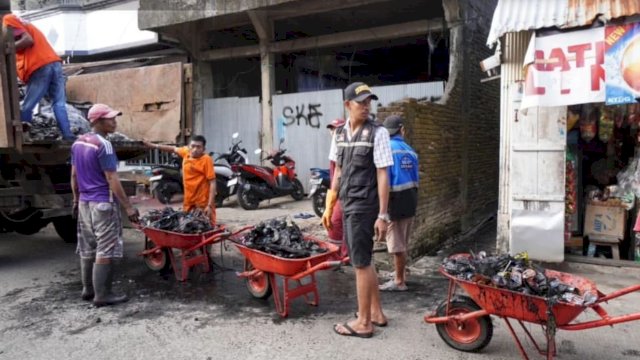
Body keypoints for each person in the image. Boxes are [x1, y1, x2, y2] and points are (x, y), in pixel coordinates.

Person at [323, 82, 393, 338]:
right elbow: (338, 171)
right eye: (360, 101)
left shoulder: (378, 133)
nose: (366, 106)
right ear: (347, 104)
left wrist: (383, 215)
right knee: (365, 260)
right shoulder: (339, 134)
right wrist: (330, 205)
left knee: (360, 263)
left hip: (365, 205)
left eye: (368, 101)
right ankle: (376, 312)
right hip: (348, 203)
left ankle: (363, 322)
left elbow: (383, 174)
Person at [71, 103, 140, 307]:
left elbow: (74, 175)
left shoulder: (78, 143)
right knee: (105, 248)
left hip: (84, 202)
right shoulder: (104, 145)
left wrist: (76, 199)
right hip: (102, 202)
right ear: (98, 122)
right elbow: (112, 178)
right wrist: (128, 207)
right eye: (110, 118)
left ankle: (87, 290)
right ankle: (102, 294)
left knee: (88, 245)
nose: (115, 122)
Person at [2, 12, 74, 140]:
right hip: (53, 62)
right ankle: (68, 136)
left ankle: (23, 137)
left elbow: (28, 40)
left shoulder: (7, 20)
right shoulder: (19, 20)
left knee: (27, 106)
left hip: (40, 66)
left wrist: (6, 50)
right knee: (58, 103)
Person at [379, 115, 419, 292]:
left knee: (396, 246)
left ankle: (399, 281)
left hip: (395, 201)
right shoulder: (411, 151)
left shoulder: (387, 149)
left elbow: (383, 180)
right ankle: (401, 273)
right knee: (403, 241)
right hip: (410, 200)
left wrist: (381, 210)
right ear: (402, 130)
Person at [144, 136, 217, 225]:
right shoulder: (186, 152)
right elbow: (173, 149)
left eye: (198, 147)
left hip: (203, 200)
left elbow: (212, 182)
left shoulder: (206, 159)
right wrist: (153, 145)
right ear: (188, 146)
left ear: (203, 149)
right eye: (193, 146)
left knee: (207, 223)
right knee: (188, 223)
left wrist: (209, 205)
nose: (194, 149)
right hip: (189, 198)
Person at [325, 118, 348, 259]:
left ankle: (341, 256)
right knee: (336, 222)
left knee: (336, 222)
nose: (333, 132)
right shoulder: (335, 148)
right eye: (332, 129)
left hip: (344, 192)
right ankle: (339, 254)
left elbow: (340, 174)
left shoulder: (344, 147)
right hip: (337, 192)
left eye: (336, 128)